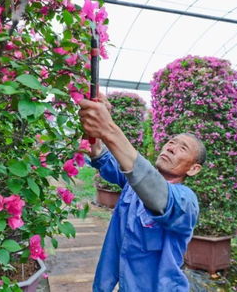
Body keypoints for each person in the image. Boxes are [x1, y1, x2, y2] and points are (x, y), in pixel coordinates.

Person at [78, 96, 206, 292]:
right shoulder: (133, 184)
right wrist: (93, 130)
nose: (171, 148)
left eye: (182, 148)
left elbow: (157, 194)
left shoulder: (186, 202)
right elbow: (101, 156)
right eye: (171, 142)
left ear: (194, 169)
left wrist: (108, 128)